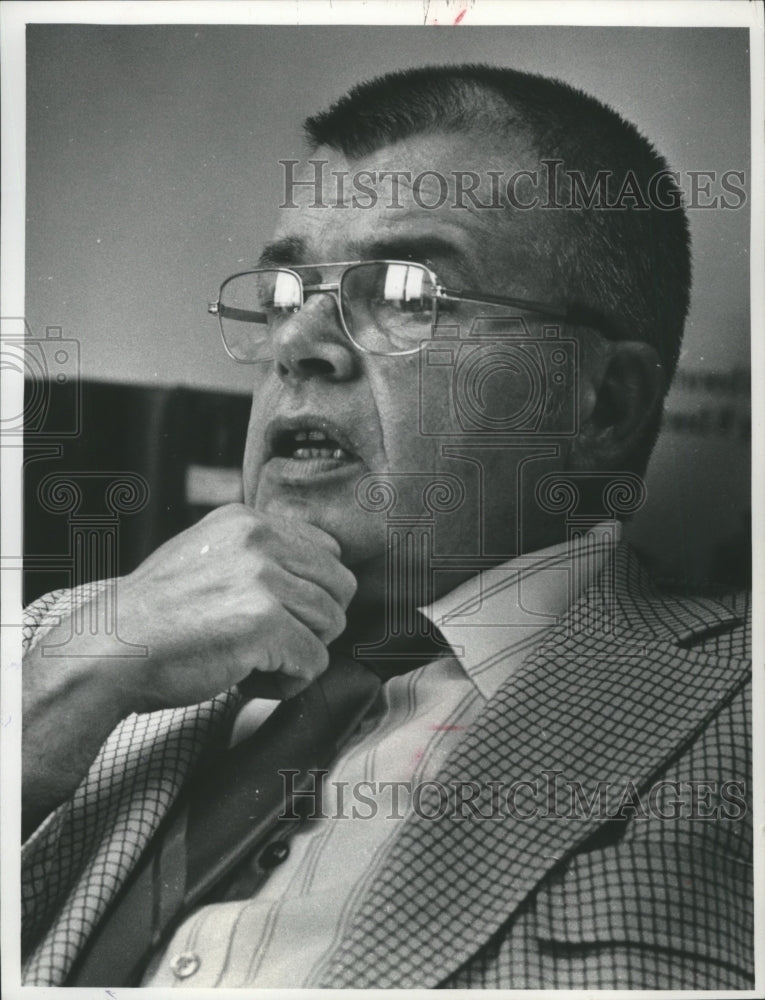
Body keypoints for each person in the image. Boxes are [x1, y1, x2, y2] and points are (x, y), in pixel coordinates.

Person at [21, 65, 751, 989]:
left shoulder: (740, 716)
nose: (299, 346)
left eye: (408, 295)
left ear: (603, 403)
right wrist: (58, 692)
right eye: (285, 296)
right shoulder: (69, 641)